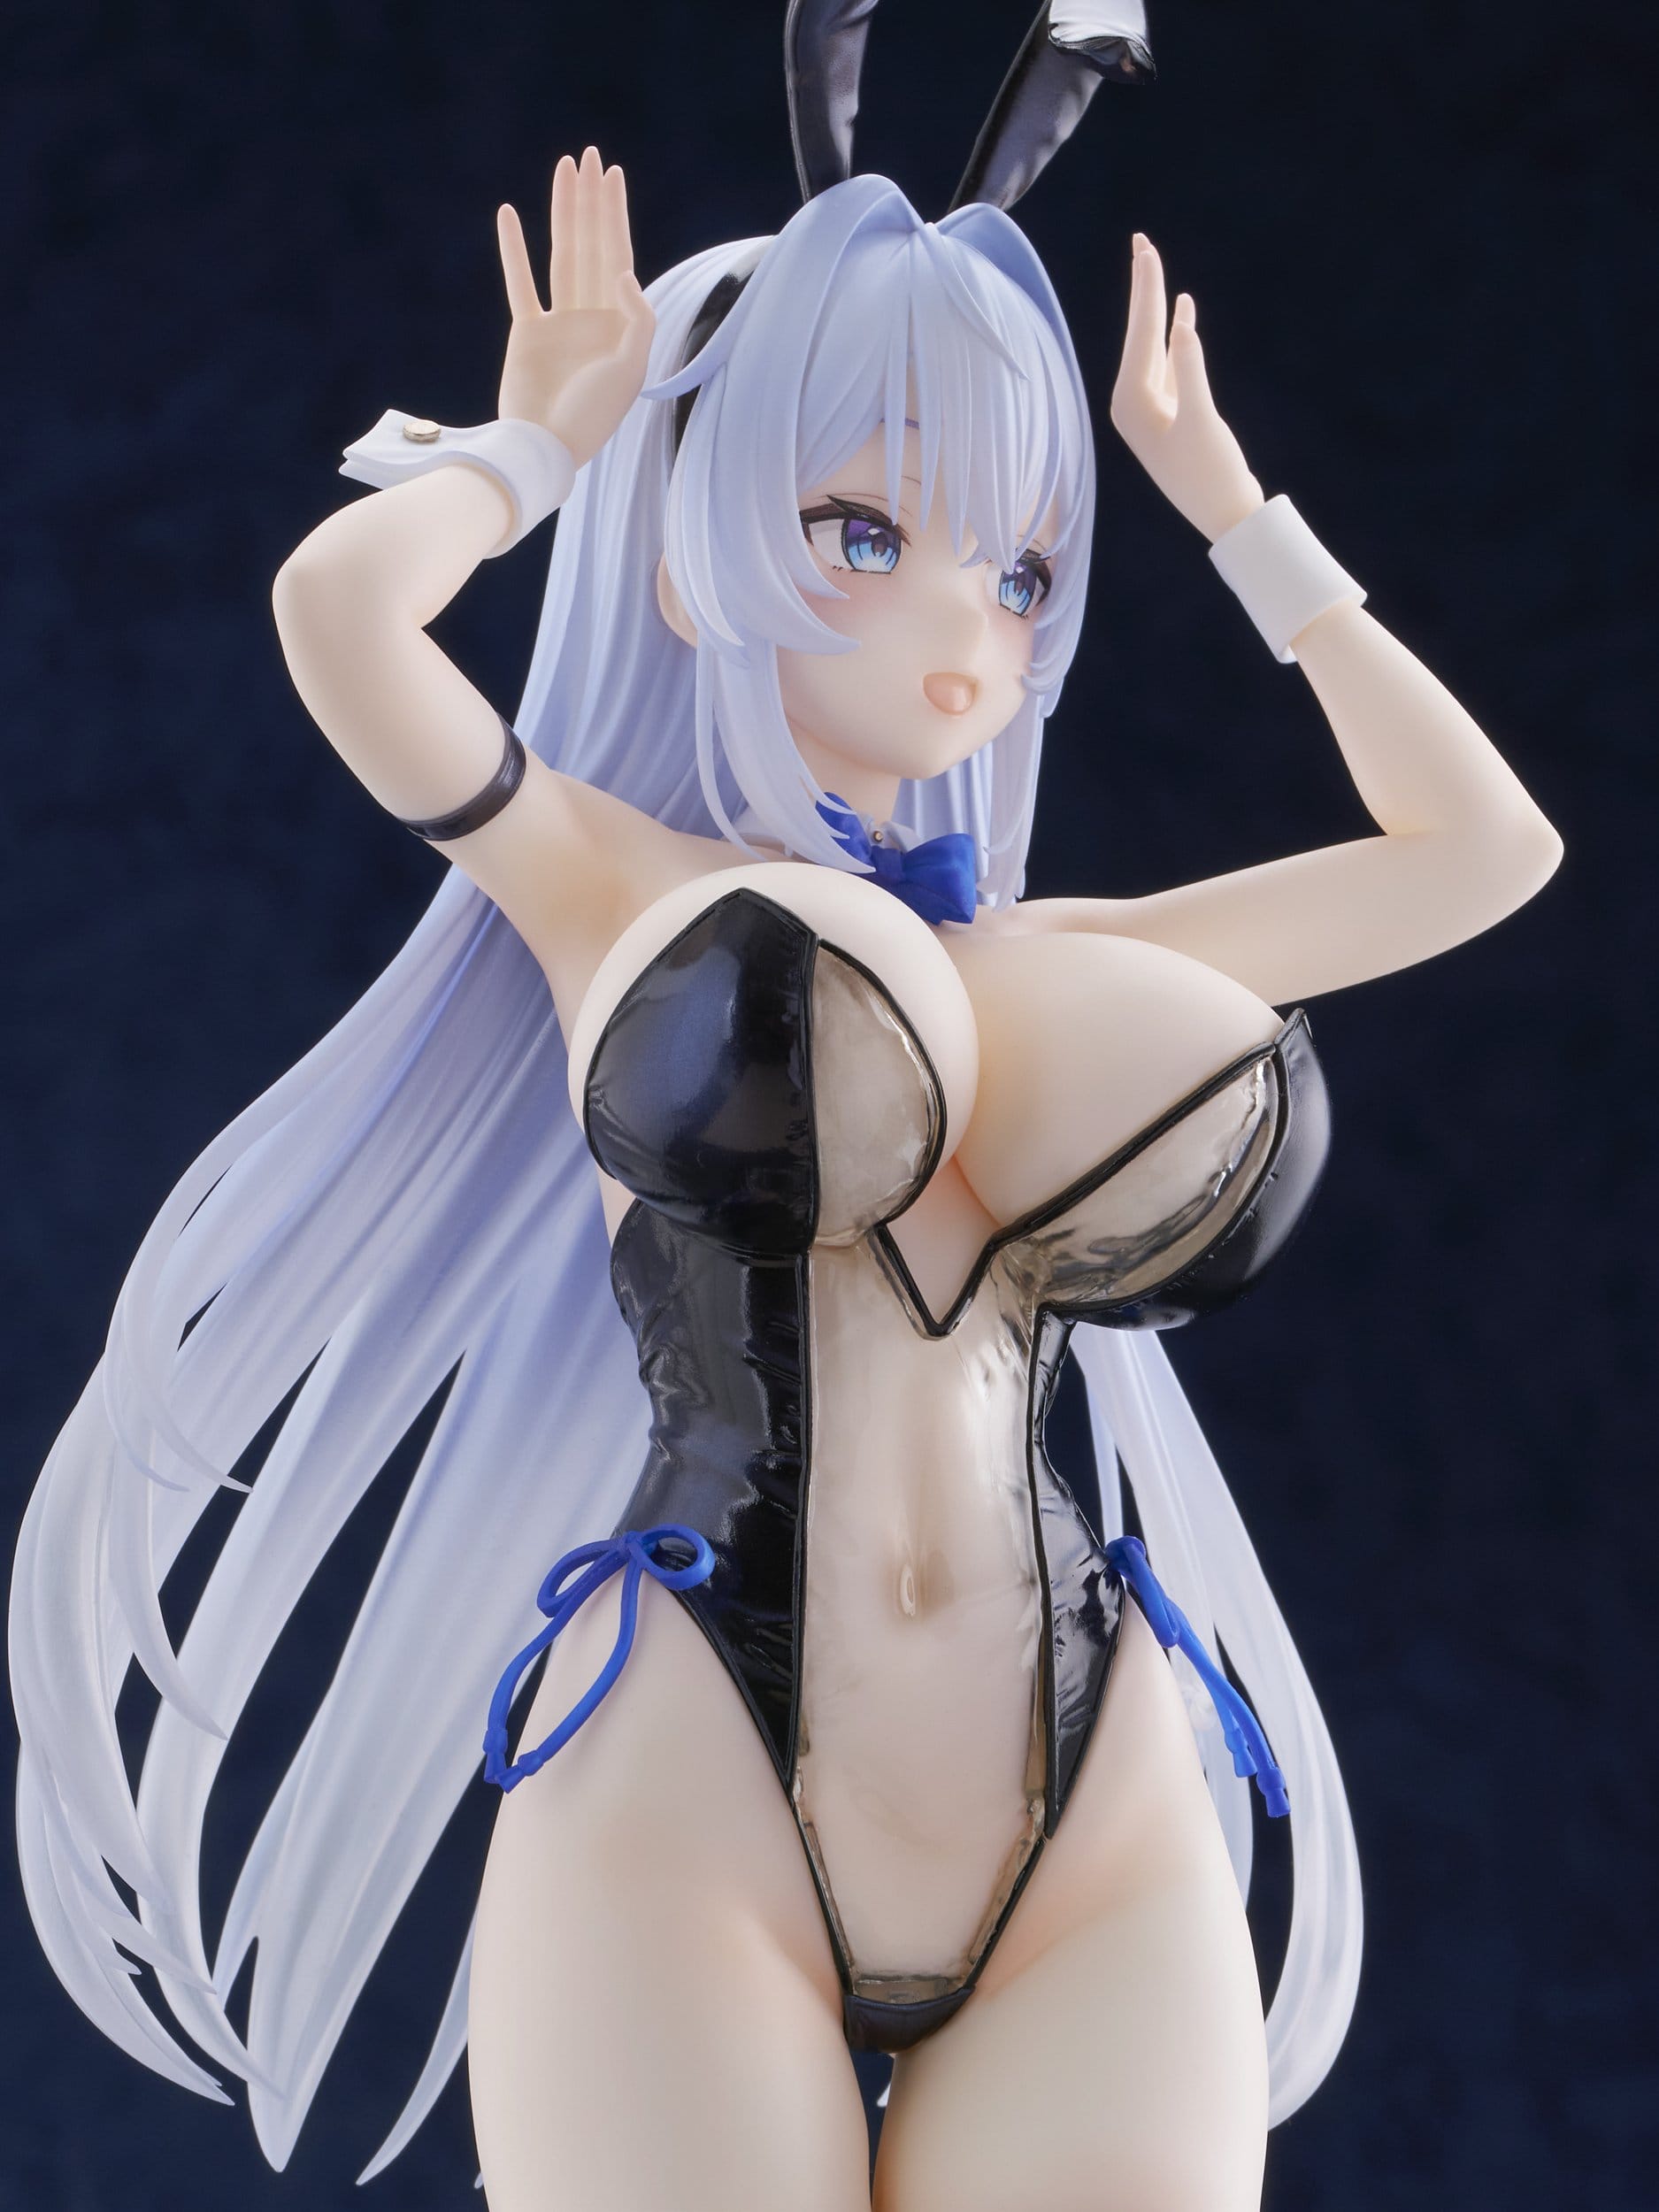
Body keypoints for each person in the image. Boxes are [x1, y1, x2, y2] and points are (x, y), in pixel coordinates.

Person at [10, 11, 1562, 2210]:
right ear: (696, 545)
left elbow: (1481, 851)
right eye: (858, 526)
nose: (962, 632)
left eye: (1019, 567)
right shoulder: (601, 886)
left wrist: (1239, 518)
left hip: (1088, 1762)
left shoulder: (1077, 941)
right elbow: (338, 611)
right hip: (693, 1757)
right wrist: (538, 444)